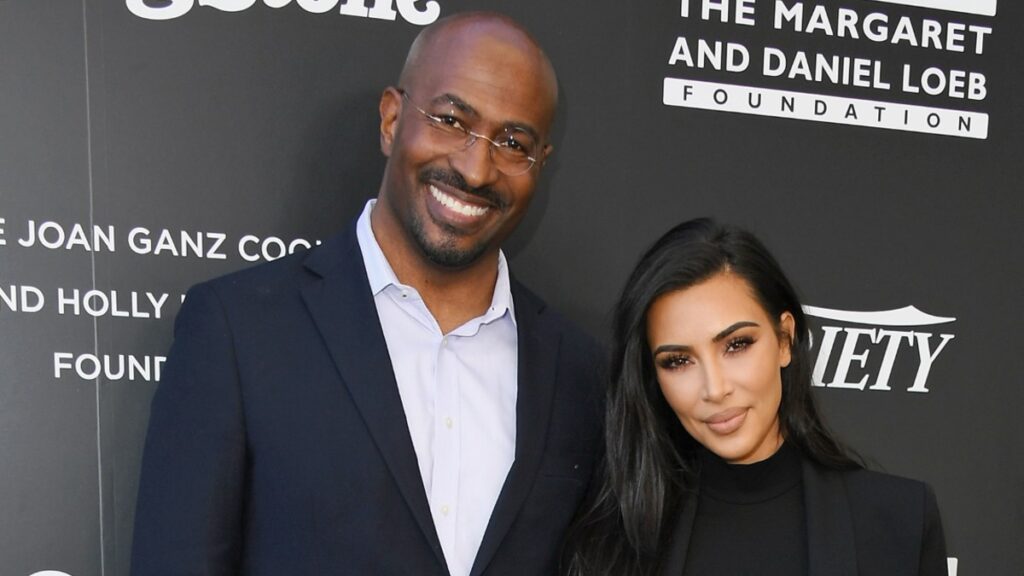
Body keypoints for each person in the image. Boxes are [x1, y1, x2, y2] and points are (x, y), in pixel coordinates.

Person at [131, 12, 602, 576]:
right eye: (452, 120)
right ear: (391, 118)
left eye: (512, 142)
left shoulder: (579, 371)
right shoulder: (238, 331)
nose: (477, 170)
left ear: (540, 164)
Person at [564, 218, 946, 576]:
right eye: (678, 361)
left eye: (737, 345)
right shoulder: (611, 537)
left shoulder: (898, 521)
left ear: (784, 340)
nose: (715, 389)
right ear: (652, 376)